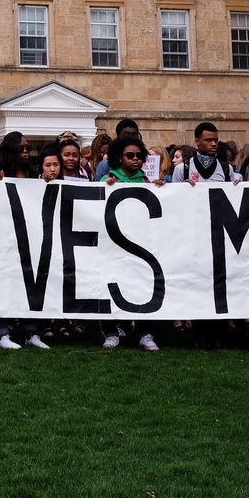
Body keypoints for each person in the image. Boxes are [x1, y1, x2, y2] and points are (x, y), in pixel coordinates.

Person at [100, 134, 161, 352]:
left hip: (141, 246)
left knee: (143, 286)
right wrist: (104, 187)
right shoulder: (107, 180)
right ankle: (111, 331)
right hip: (113, 245)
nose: (136, 159)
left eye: (139, 155)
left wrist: (162, 189)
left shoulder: (146, 182)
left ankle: (145, 332)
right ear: (119, 158)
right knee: (112, 286)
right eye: (130, 155)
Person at [171, 122, 237, 183]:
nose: (213, 144)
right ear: (197, 141)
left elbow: (232, 194)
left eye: (215, 140)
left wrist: (238, 188)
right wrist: (184, 188)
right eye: (208, 140)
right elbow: (175, 194)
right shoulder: (182, 169)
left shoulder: (227, 169)